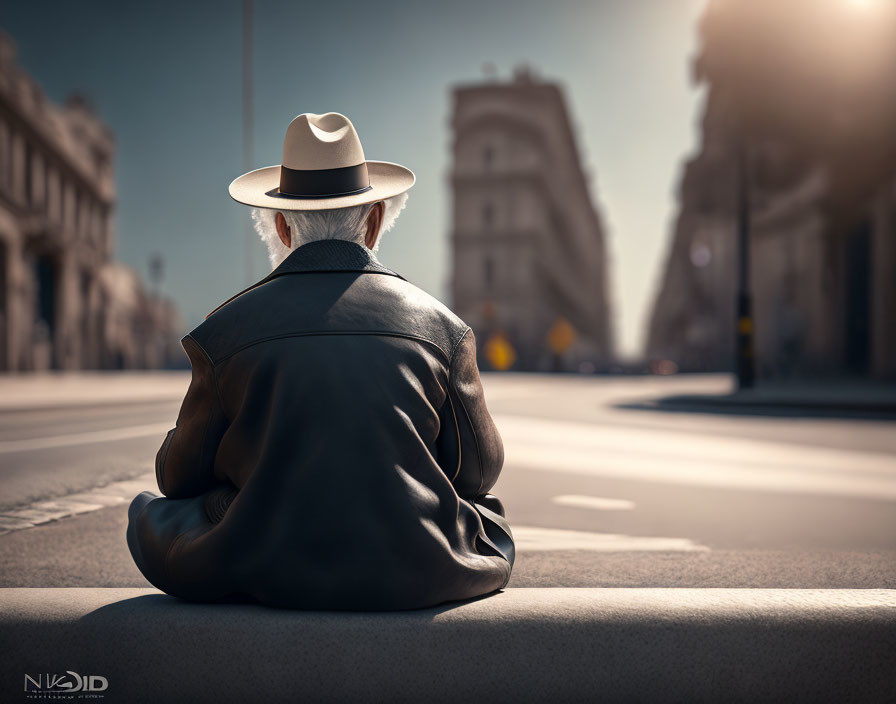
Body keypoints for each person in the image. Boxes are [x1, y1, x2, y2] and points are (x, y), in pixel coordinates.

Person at [126, 112, 514, 610]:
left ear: (283, 227)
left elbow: (177, 478)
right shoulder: (444, 329)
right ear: (374, 221)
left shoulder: (223, 331)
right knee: (488, 515)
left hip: (262, 563)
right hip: (420, 571)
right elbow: (479, 472)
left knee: (155, 514)